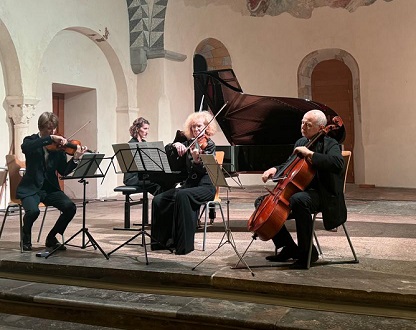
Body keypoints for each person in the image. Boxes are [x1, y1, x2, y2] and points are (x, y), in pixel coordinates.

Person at [259, 109, 347, 269]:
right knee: (262, 202)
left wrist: (311, 154)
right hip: (300, 191)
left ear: (321, 128)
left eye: (308, 124)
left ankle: (307, 253)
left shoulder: (330, 143)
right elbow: (290, 165)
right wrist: (275, 169)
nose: (303, 126)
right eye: (302, 122)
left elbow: (337, 164)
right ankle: (289, 247)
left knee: (298, 200)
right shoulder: (300, 142)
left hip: (323, 194)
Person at [16, 112, 88, 251]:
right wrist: (49, 138)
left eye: (53, 128)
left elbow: (63, 171)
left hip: (50, 189)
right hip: (31, 188)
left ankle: (51, 237)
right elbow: (25, 148)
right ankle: (25, 239)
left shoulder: (58, 148)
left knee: (70, 207)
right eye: (48, 129)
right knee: (33, 212)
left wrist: (75, 159)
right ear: (41, 127)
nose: (53, 131)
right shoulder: (30, 141)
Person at [151, 111, 217, 255]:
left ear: (206, 127)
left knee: (183, 195)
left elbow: (203, 172)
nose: (196, 130)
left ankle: (183, 245)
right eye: (193, 127)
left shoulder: (210, 146)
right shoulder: (188, 143)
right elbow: (168, 151)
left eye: (199, 126)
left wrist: (196, 160)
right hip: (189, 186)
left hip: (206, 187)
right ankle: (161, 242)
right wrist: (175, 145)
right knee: (158, 199)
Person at [123, 117, 165, 195]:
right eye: (145, 129)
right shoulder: (131, 144)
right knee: (157, 184)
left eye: (148, 129)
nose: (147, 132)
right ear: (137, 129)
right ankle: (162, 202)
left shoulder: (144, 142)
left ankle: (164, 201)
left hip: (142, 176)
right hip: (132, 178)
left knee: (163, 181)